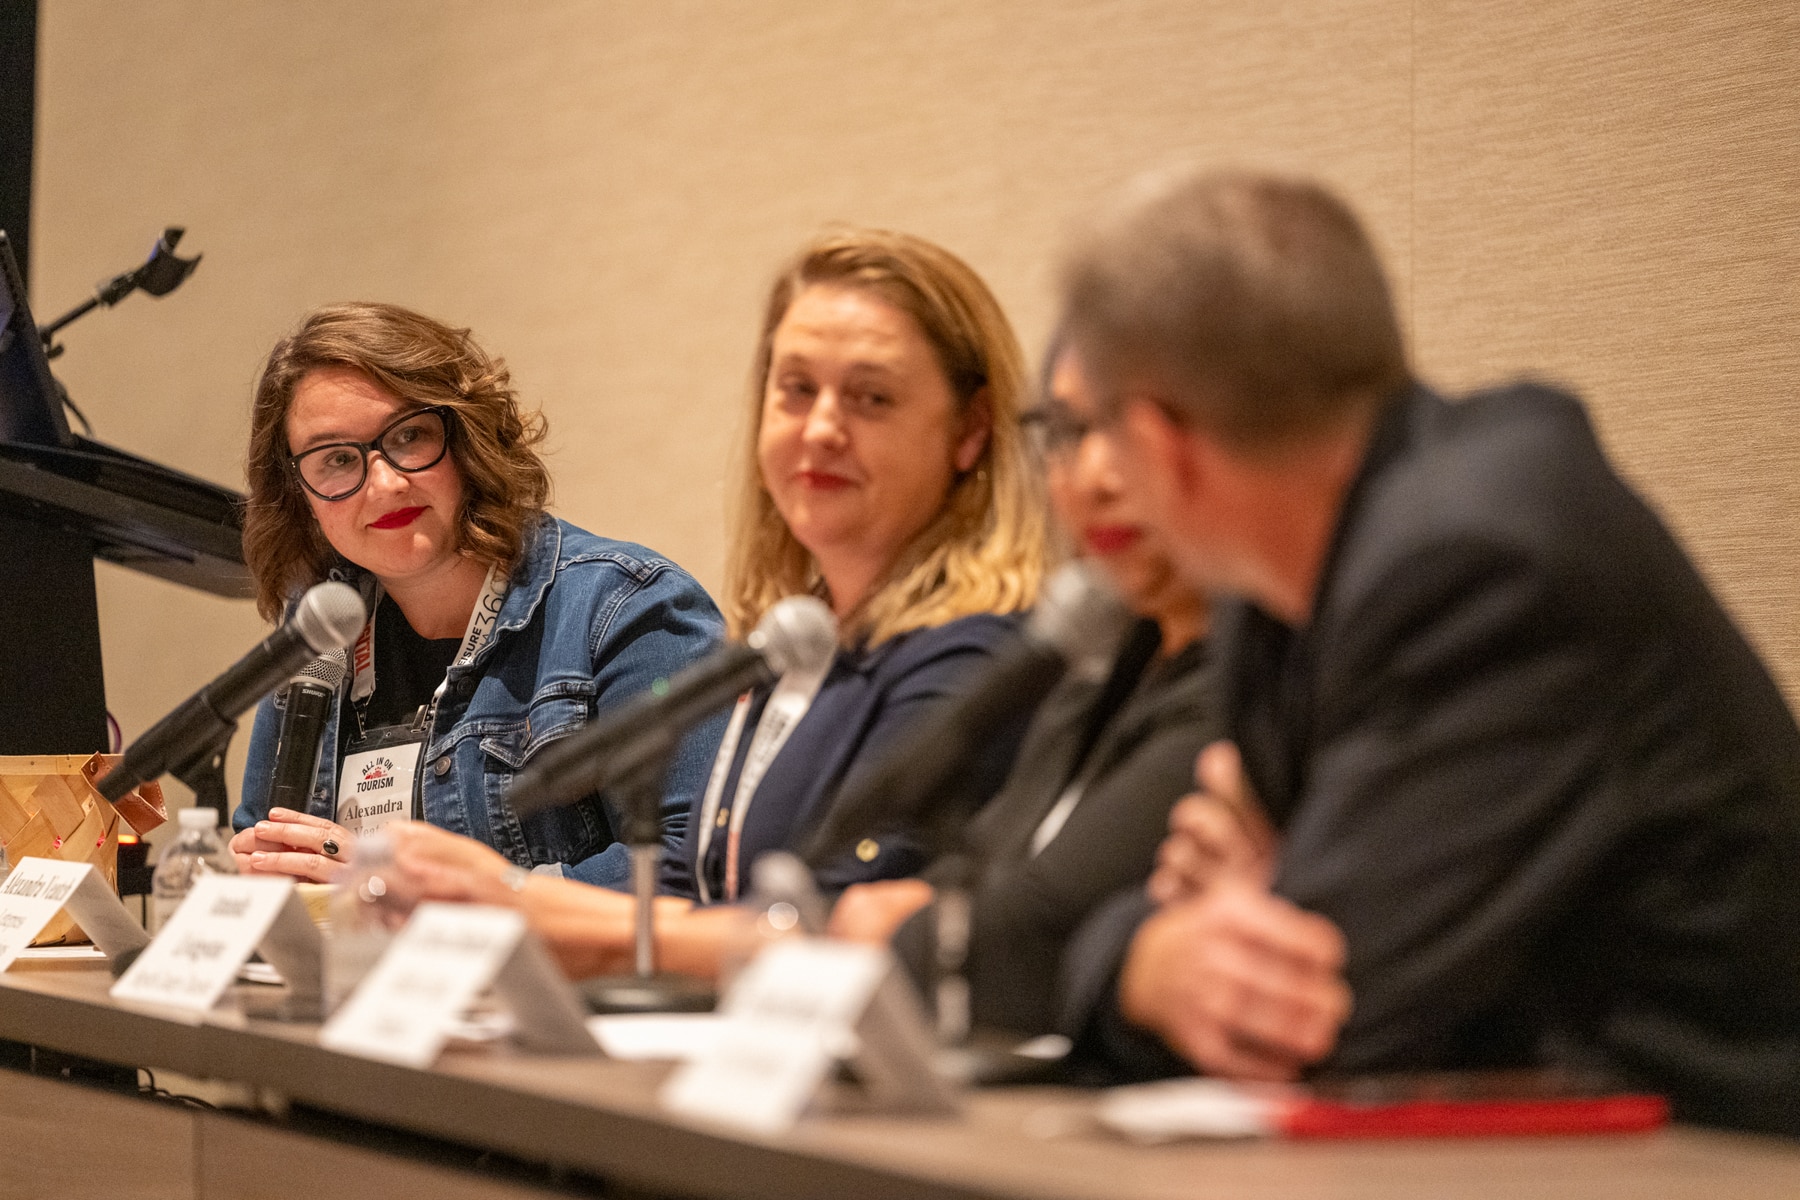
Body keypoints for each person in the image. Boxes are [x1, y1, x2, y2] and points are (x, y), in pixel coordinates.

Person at [1050, 167, 1800, 1136]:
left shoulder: (1483, 559)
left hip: (1725, 1160)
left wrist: (1166, 955)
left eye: (1097, 427)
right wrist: (1152, 962)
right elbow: (1236, 935)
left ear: (1163, 443)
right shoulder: (1272, 597)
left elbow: (1320, 1009)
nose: (1098, 471)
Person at [387, 229, 1049, 979]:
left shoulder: (973, 654)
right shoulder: (798, 641)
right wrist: (475, 900)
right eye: (796, 389)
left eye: (871, 397)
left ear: (970, 430)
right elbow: (700, 893)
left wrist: (509, 902)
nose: (821, 428)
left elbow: (837, 933)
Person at [228, 302, 725, 890]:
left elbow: (695, 865)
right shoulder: (317, 640)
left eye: (409, 436)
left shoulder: (627, 609)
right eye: (337, 459)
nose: (384, 484)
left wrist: (447, 899)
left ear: (467, 439)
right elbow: (268, 850)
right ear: (298, 494)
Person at [829, 341, 1219, 1042]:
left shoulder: (1251, 679)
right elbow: (983, 866)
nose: (1095, 477)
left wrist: (900, 937)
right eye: (1067, 432)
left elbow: (1032, 939)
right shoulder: (1109, 658)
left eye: (1132, 429)